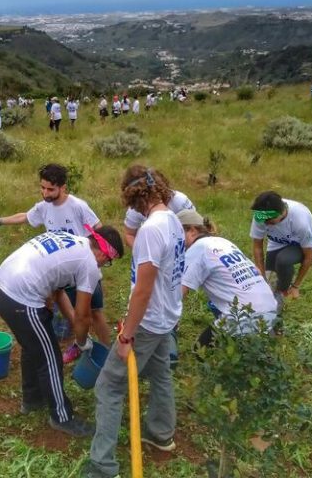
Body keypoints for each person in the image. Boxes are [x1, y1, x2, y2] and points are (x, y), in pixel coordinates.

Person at [85, 165, 185, 478]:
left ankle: (103, 466)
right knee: (160, 373)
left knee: (109, 385)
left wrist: (127, 336)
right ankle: (160, 433)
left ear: (134, 198)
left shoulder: (152, 230)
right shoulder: (173, 221)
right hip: (166, 318)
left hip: (147, 322)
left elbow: (143, 290)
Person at [0, 226, 123, 437]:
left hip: (1, 288)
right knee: (51, 358)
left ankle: (32, 399)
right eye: (106, 261)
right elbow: (83, 315)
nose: (103, 265)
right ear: (101, 252)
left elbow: (58, 291)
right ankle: (62, 417)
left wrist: (80, 333)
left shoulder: (71, 242)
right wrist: (81, 342)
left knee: (33, 346)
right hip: (21, 298)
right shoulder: (89, 264)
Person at [0, 163, 113, 354]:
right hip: (59, 270)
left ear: (63, 187)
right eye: (42, 188)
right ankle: (78, 343)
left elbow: (100, 230)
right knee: (62, 306)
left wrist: (95, 256)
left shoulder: (78, 207)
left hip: (82, 268)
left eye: (50, 189)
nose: (45, 193)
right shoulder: (44, 207)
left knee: (94, 312)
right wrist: (0, 221)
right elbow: (25, 217)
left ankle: (106, 350)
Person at [177, 209, 278, 348]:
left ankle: (241, 343)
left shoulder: (198, 248)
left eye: (177, 234)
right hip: (271, 309)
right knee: (213, 304)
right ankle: (255, 340)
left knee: (200, 352)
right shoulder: (222, 242)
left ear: (192, 230)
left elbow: (179, 292)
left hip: (246, 316)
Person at [250, 191, 312, 300]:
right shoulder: (262, 216)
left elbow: (309, 255)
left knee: (283, 260)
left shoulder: (299, 220)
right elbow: (257, 246)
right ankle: (273, 296)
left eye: (270, 221)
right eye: (263, 221)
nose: (266, 224)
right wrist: (262, 275)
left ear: (282, 213)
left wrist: (295, 286)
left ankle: (282, 294)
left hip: (301, 246)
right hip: (278, 243)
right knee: (270, 280)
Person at [123, 186, 195, 248]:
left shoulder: (179, 200)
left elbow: (196, 228)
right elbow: (129, 234)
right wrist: (142, 251)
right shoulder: (136, 208)